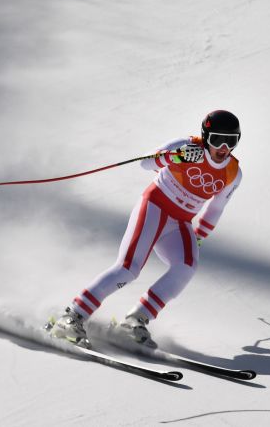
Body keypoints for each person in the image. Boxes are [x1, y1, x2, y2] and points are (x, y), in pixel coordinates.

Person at [49, 109, 243, 349]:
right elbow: (145, 162)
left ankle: (136, 320)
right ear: (205, 137)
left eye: (231, 141)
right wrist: (177, 157)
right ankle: (72, 316)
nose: (223, 147)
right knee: (128, 269)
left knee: (185, 267)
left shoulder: (233, 173)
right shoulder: (185, 146)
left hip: (181, 221)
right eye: (217, 139)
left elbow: (216, 209)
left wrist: (199, 236)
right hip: (155, 206)